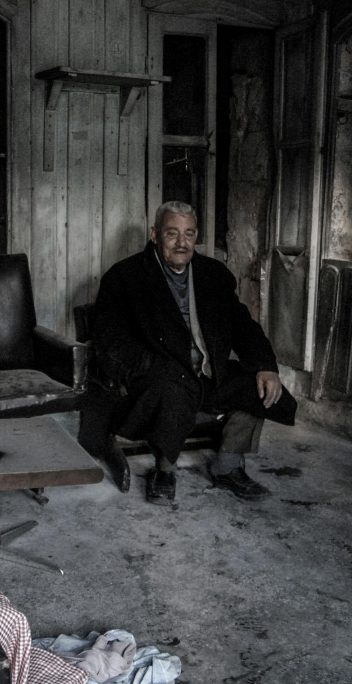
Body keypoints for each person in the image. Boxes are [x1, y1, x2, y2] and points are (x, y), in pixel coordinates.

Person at [91, 200, 296, 504]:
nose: (181, 243)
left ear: (196, 236)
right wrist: (150, 367)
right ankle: (165, 469)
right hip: (157, 377)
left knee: (257, 385)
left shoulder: (213, 274)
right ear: (155, 234)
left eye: (188, 234)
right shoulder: (125, 277)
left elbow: (242, 325)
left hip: (207, 375)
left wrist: (266, 365)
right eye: (172, 234)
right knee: (170, 390)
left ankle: (228, 465)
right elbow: (111, 342)